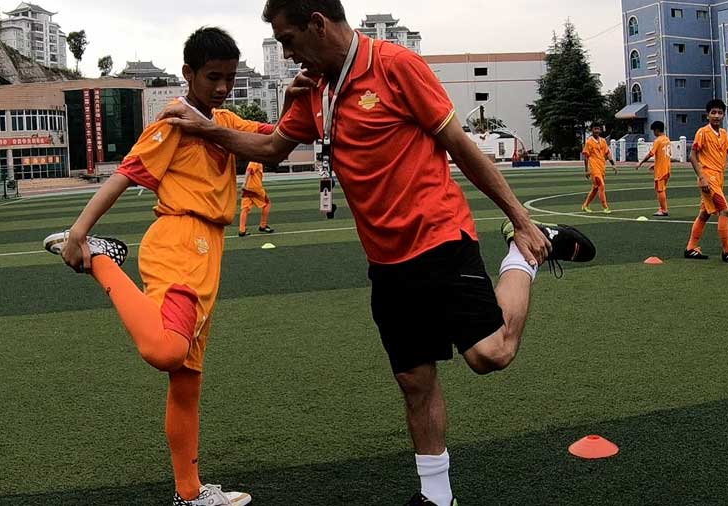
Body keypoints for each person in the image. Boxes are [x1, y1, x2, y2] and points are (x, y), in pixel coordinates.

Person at [160, 2, 596, 504]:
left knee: (490, 354)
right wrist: (206, 127)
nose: (287, 52)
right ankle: (437, 497)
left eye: (289, 39)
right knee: (415, 379)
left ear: (318, 24)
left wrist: (519, 217)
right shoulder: (314, 89)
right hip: (386, 262)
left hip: (439, 238)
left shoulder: (396, 66)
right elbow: (273, 149)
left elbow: (460, 145)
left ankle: (524, 255)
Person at [42, 27, 283, 506]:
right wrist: (77, 234)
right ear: (188, 73)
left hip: (209, 250)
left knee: (187, 380)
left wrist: (305, 90)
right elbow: (125, 176)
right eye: (213, 77)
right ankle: (104, 262)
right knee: (166, 351)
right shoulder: (170, 123)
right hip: (178, 240)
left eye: (229, 78)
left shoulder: (226, 120)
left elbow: (281, 137)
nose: (221, 87)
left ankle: (189, 494)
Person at [684, 99, 728, 262]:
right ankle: (727, 251)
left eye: (720, 113)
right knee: (724, 210)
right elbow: (692, 155)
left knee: (704, 214)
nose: (717, 116)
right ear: (707, 115)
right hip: (708, 177)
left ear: (724, 115)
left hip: (718, 178)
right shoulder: (702, 132)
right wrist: (701, 177)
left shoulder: (724, 133)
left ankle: (690, 248)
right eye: (713, 112)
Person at [636, 121, 672, 217]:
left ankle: (664, 210)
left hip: (661, 170)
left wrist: (641, 162)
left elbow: (651, 154)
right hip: (667, 168)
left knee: (660, 190)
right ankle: (662, 208)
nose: (653, 133)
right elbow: (666, 155)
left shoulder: (658, 140)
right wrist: (655, 164)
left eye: (653, 131)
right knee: (661, 189)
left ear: (656, 130)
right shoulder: (667, 139)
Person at [581, 123, 617, 214]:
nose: (597, 131)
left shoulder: (603, 141)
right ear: (592, 130)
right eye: (595, 129)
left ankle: (585, 205)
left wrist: (613, 164)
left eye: (598, 129)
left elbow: (607, 153)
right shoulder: (589, 142)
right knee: (602, 185)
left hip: (602, 167)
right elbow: (586, 156)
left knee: (595, 188)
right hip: (594, 168)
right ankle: (605, 207)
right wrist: (586, 170)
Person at [238, 161, 274, 236]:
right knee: (267, 204)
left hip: (248, 188)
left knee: (245, 208)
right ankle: (263, 226)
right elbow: (249, 170)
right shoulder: (256, 161)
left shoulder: (255, 160)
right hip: (256, 189)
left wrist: (245, 184)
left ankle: (242, 230)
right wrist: (244, 183)